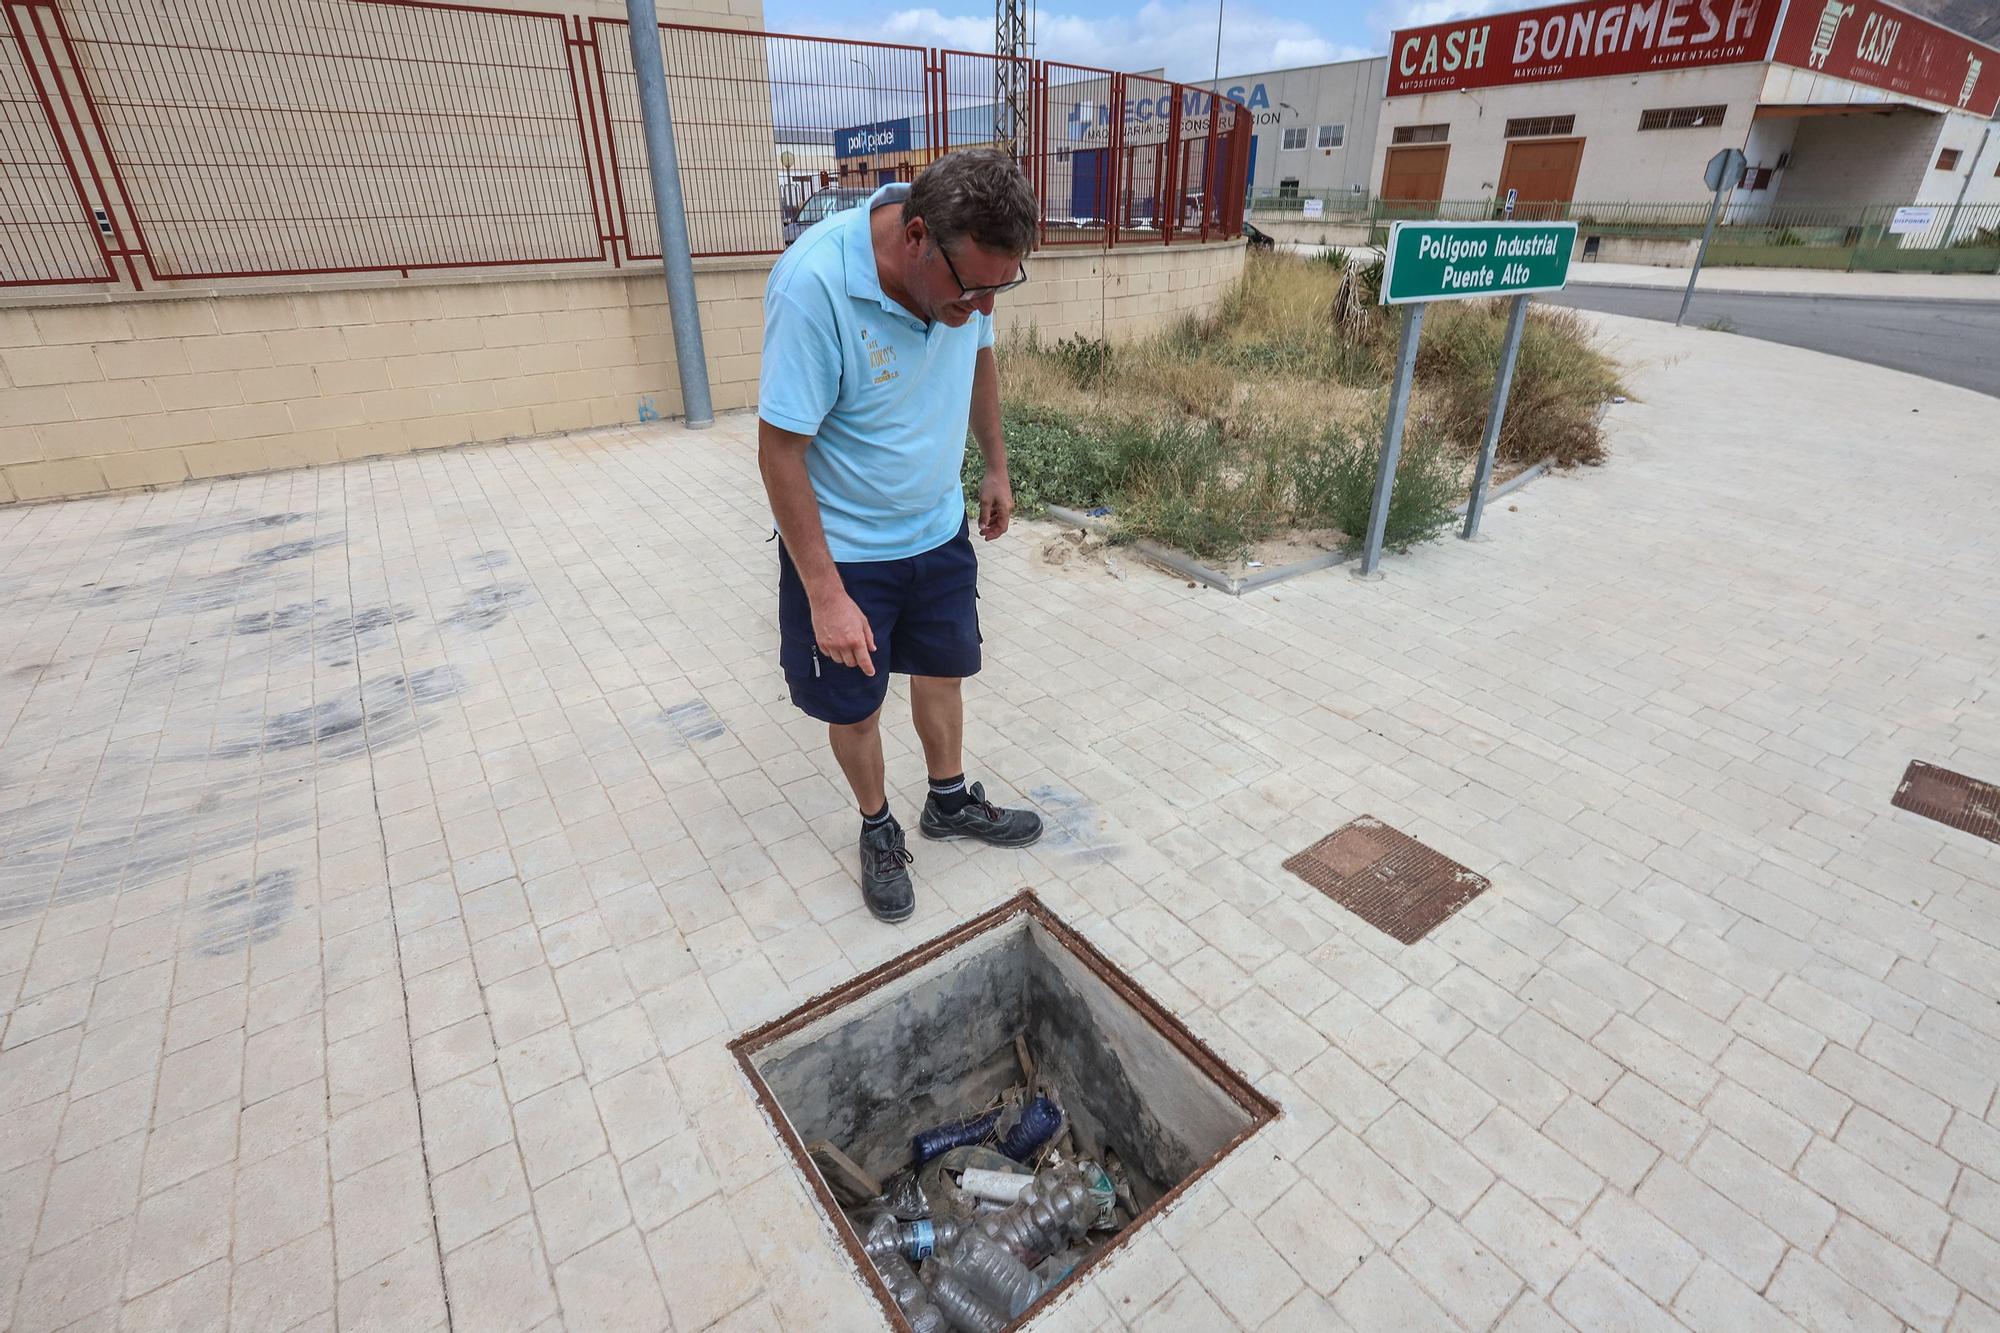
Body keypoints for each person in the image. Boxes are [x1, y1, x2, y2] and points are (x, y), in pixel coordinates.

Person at [756, 148, 1044, 924]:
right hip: (847, 551)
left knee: (942, 671)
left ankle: (947, 801)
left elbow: (979, 357)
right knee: (855, 707)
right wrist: (824, 594)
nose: (984, 307)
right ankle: (878, 825)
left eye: (1000, 287)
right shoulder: (815, 286)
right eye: (973, 289)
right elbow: (780, 449)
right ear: (916, 235)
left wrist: (994, 465)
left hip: (936, 529)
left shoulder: (966, 277)